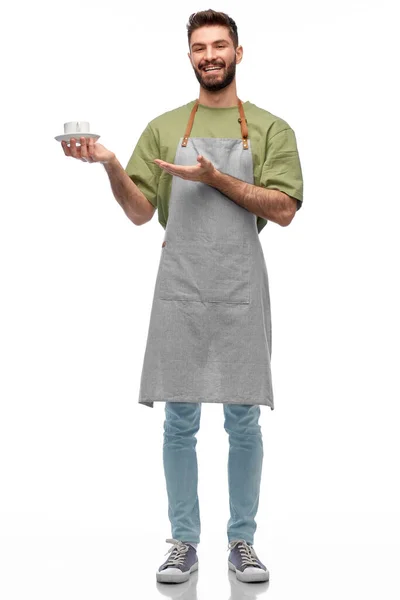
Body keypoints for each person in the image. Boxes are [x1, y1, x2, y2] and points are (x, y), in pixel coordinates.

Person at [61, 8, 303, 585]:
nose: (210, 55)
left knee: (244, 419)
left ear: (238, 54)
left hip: (241, 286)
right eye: (200, 47)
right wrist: (113, 166)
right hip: (181, 287)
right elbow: (142, 213)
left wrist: (216, 178)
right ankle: (183, 541)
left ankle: (242, 541)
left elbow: (286, 209)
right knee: (178, 420)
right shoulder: (164, 125)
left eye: (221, 45)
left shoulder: (271, 129)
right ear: (189, 56)